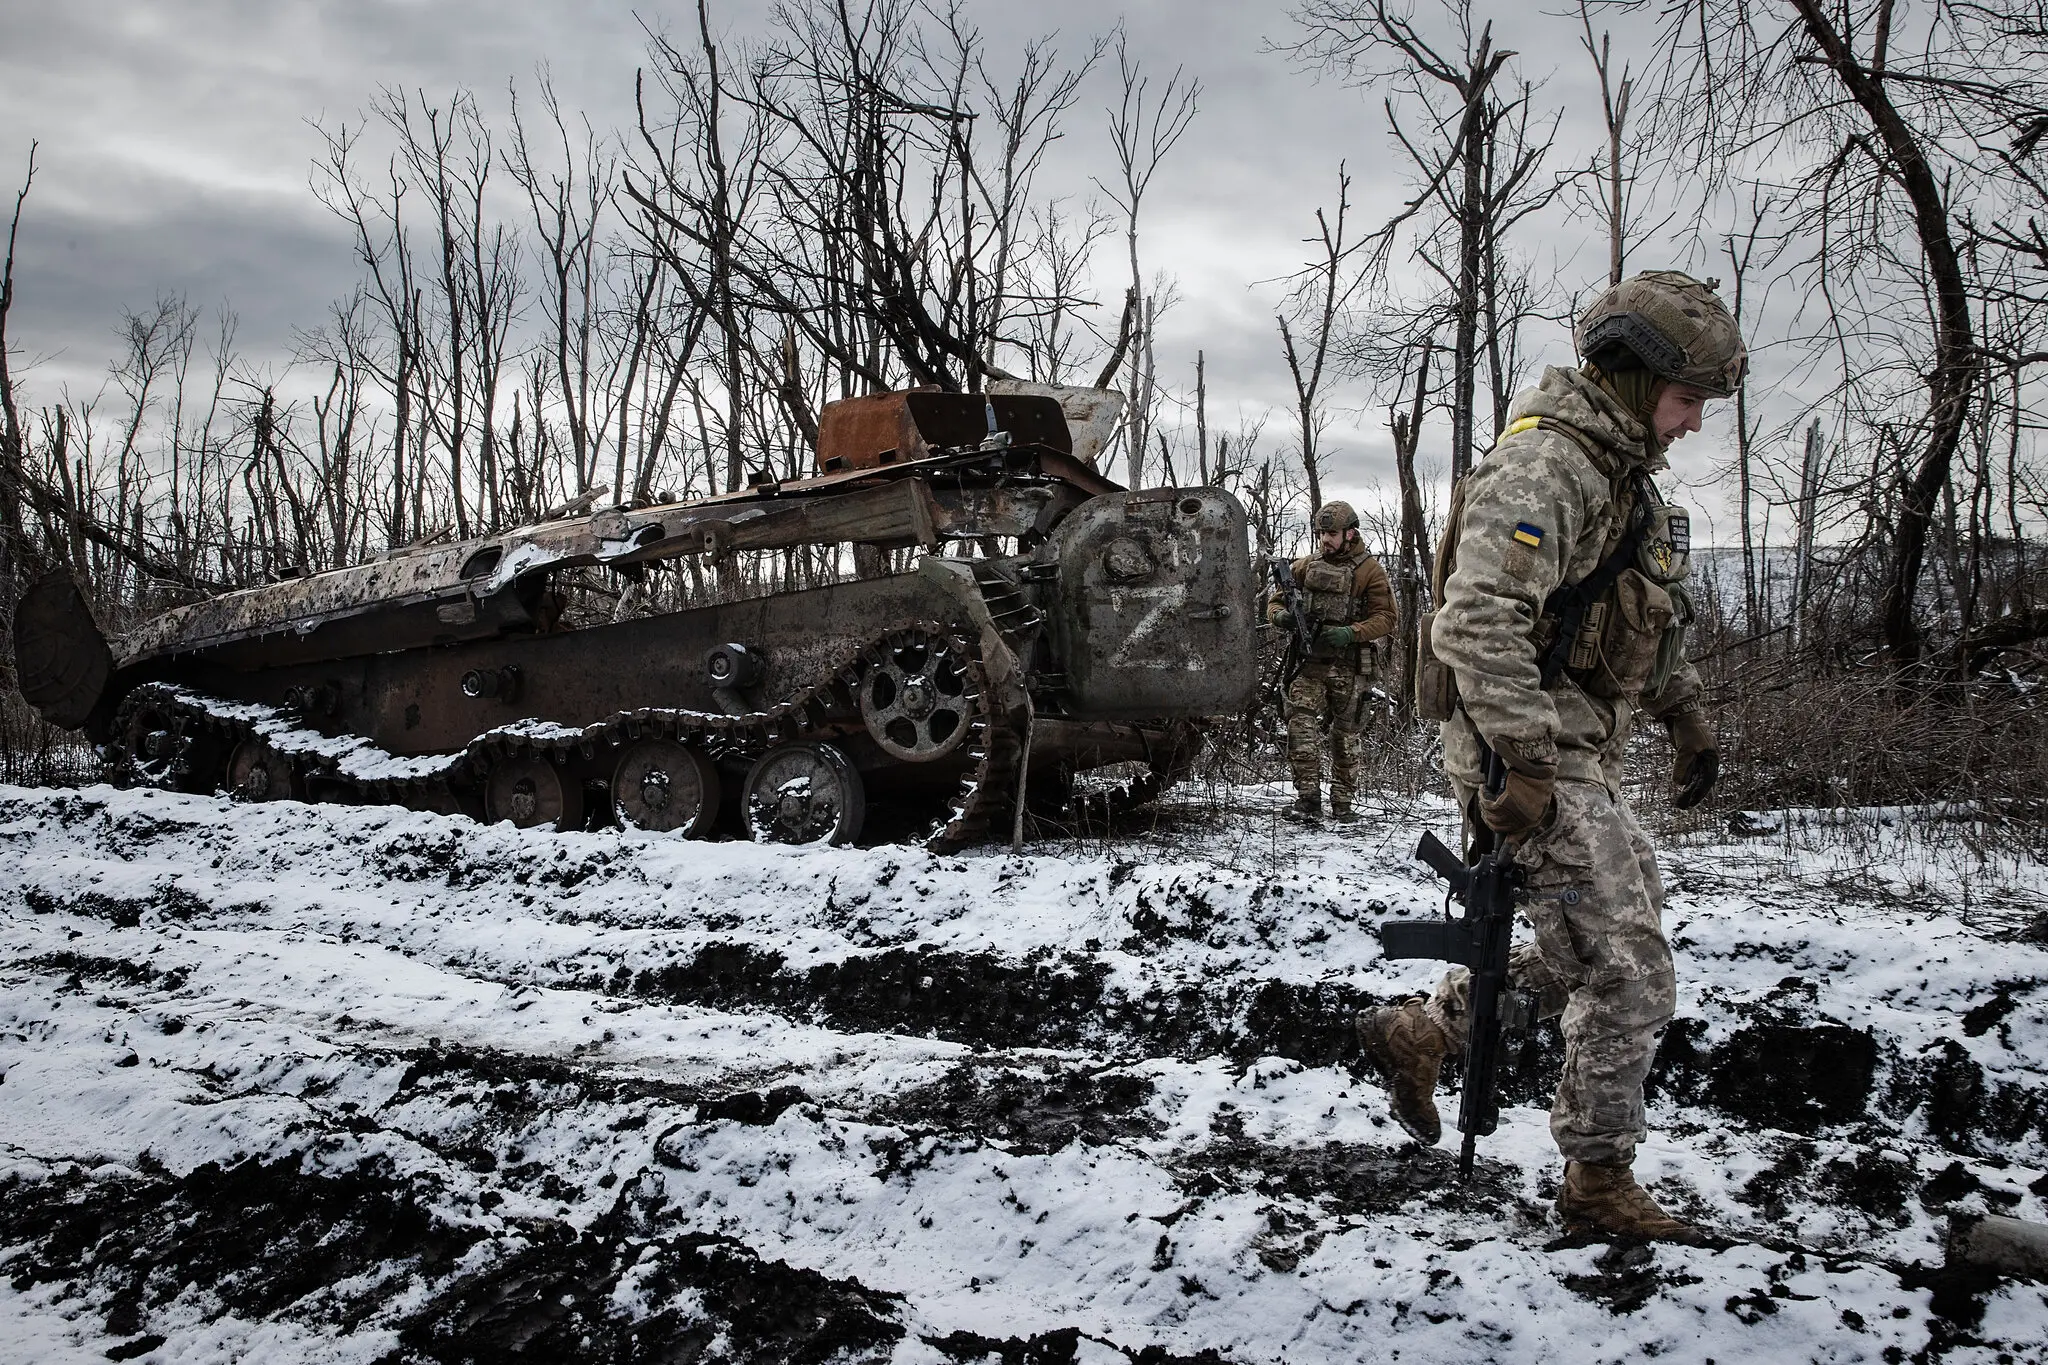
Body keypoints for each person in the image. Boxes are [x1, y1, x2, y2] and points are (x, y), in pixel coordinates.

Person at [1358, 270, 1735, 1243]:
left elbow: (1630, 631)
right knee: (1628, 966)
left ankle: (1421, 1032)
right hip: (1522, 752)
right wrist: (1521, 761)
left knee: (1586, 947)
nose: (1692, 422)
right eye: (1687, 398)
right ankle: (1595, 1179)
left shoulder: (1619, 485)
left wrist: (1683, 718)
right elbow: (1475, 620)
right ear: (1632, 376)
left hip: (1572, 751)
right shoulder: (1546, 470)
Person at [1266, 501, 1398, 822]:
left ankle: (1343, 804)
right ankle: (1308, 798)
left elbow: (1387, 617)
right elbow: (1275, 601)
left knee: (1345, 735)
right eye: (1322, 533)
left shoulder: (1370, 571)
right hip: (1309, 662)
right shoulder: (1305, 565)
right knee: (1299, 724)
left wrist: (1351, 633)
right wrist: (1281, 617)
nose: (1326, 539)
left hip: (1350, 665)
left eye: (1332, 533)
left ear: (1350, 533)